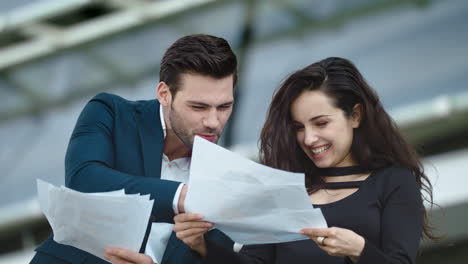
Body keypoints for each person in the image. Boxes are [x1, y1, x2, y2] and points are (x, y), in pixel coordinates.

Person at [170, 57, 435, 264]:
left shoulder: (393, 182)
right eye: (299, 127)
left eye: (321, 123)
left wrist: (359, 250)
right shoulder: (280, 189)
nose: (309, 138)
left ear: (355, 116)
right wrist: (203, 246)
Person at [30, 34, 238, 264]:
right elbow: (83, 181)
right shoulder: (112, 113)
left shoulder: (226, 184)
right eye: (198, 107)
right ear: (164, 94)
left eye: (224, 107)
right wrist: (179, 196)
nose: (213, 121)